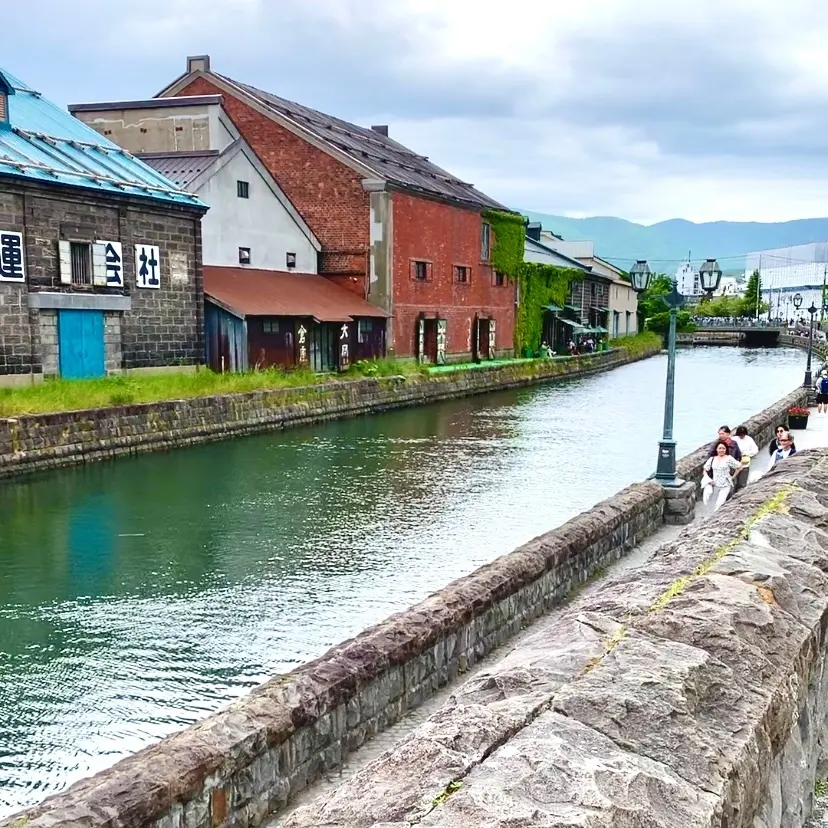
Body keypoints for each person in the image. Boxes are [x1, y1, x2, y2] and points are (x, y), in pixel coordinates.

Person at [703, 441, 742, 512]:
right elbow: (705, 469)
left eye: (723, 448)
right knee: (713, 504)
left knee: (719, 504)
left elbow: (739, 466)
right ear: (716, 449)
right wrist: (708, 480)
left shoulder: (728, 458)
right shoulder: (712, 459)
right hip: (715, 485)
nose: (721, 450)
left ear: (726, 449)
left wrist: (733, 477)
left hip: (725, 485)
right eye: (720, 448)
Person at [732, 425, 758, 491]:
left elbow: (755, 450)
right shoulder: (733, 440)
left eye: (743, 434)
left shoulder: (749, 439)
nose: (742, 436)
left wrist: (747, 453)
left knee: (742, 481)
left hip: (745, 461)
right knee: (733, 480)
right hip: (735, 461)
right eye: (740, 434)